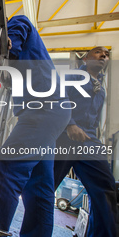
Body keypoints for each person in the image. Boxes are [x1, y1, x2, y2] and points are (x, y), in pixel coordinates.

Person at [0, 10, 71, 237]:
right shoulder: (15, 58)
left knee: (6, 166)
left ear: (3, 19)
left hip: (44, 111)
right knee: (38, 187)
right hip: (51, 112)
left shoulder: (18, 23)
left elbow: (10, 40)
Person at [54, 46, 117, 237]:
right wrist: (70, 124)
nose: (103, 56)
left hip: (89, 141)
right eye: (98, 52)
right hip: (64, 137)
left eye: (106, 55)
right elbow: (57, 97)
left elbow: (95, 119)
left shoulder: (102, 90)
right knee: (46, 185)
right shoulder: (73, 76)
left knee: (106, 188)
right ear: (86, 59)